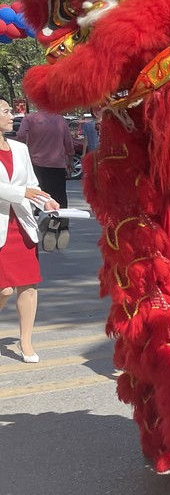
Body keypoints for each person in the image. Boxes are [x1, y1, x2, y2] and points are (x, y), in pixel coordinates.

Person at [0, 98, 58, 363]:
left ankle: (26, 342)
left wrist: (46, 201)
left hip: (22, 225)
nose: (12, 115)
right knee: (4, 290)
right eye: (6, 111)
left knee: (28, 286)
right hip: (2, 225)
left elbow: (32, 184)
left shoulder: (20, 148)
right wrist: (21, 192)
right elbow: (21, 189)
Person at [13, 99, 75, 209]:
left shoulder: (29, 118)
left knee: (39, 196)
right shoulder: (60, 120)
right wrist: (70, 161)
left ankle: (41, 216)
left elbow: (21, 136)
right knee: (59, 196)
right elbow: (68, 142)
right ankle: (60, 217)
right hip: (57, 164)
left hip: (36, 163)